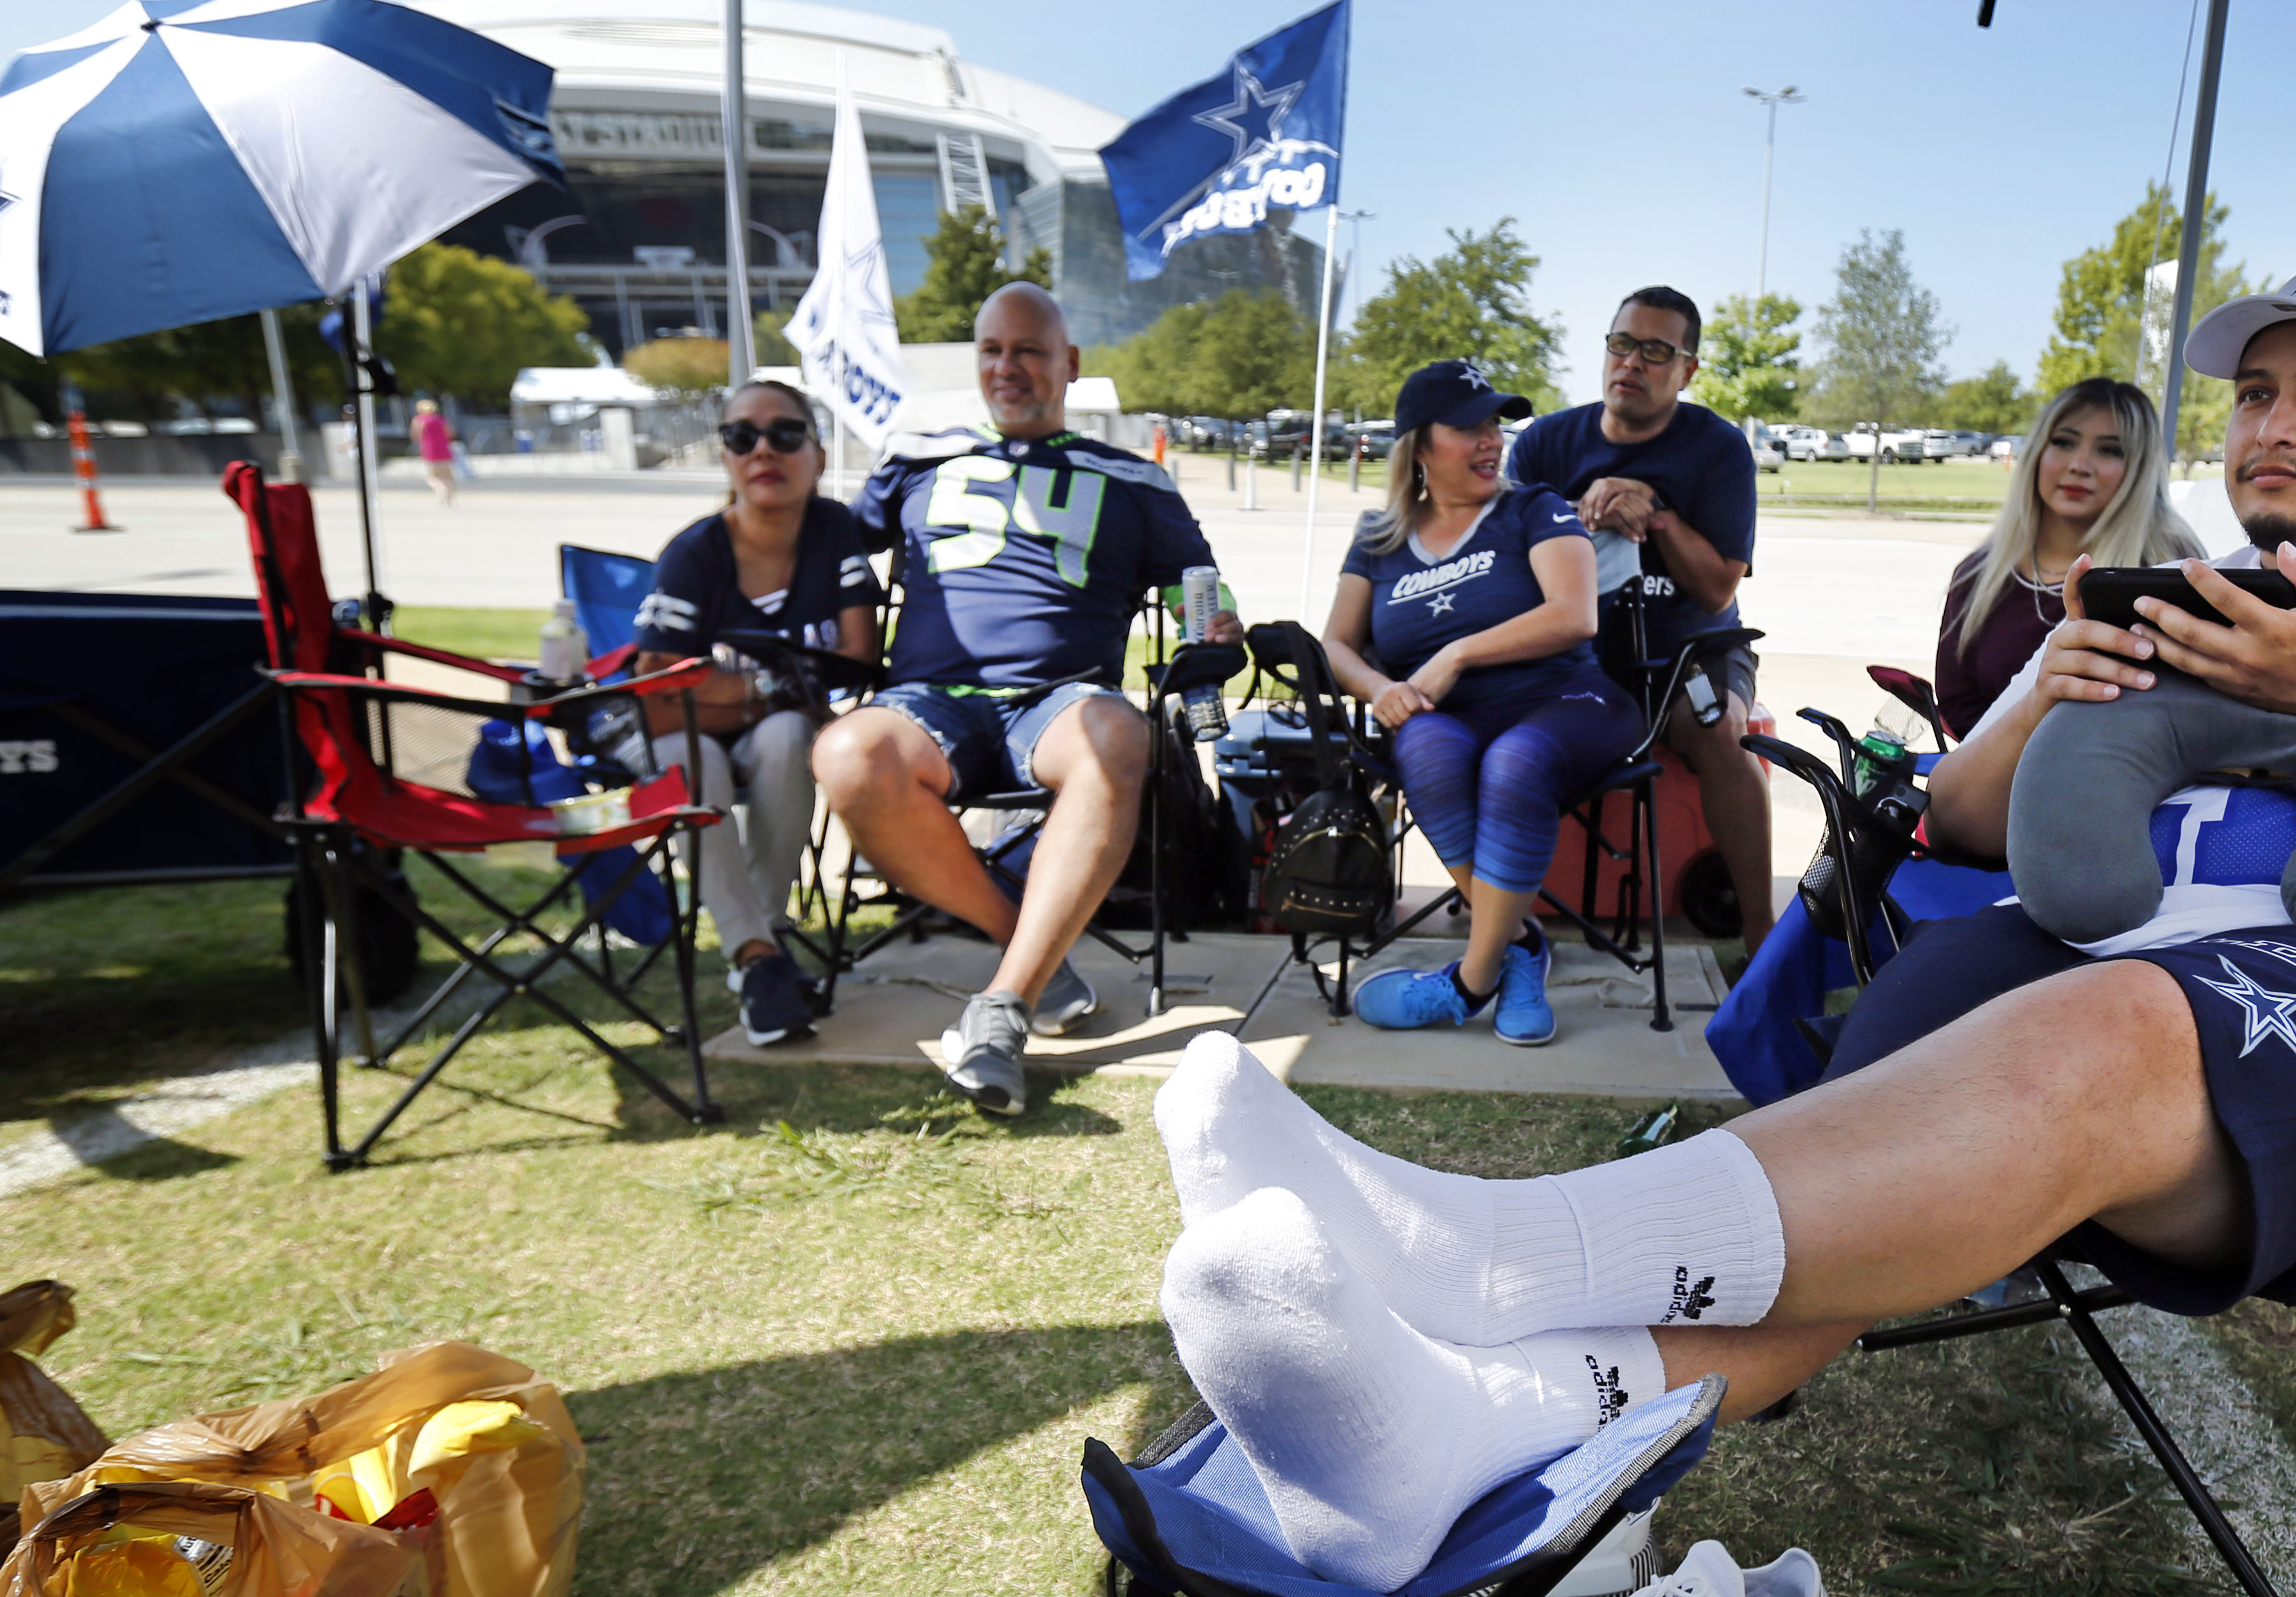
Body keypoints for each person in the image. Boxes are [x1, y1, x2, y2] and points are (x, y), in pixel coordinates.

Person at [1144, 246, 2296, 1597]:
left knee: (2107, 1024)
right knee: (1906, 1078)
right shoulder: (2174, 584)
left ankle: (1481, 1251)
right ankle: (1463, 1426)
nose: (2276, 420)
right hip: (2107, 983)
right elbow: (1968, 822)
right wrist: (2061, 681)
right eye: (2257, 388)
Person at [818, 282, 1239, 1118]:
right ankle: (1031, 943)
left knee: (1116, 734)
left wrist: (1214, 632)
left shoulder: (1133, 477)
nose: (1007, 367)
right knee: (845, 754)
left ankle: (1003, 1005)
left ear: (1069, 364)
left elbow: (1198, 583)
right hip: (929, 703)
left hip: (1057, 705)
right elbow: (825, 549)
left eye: (1029, 350)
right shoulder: (917, 456)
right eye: (991, 350)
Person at [1324, 360, 1649, 1047]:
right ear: (1419, 444)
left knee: (1515, 759)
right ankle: (1520, 947)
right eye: (1468, 427)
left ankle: (1467, 983)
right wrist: (1383, 688)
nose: (1491, 441)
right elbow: (1337, 645)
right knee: (1423, 745)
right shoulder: (1377, 537)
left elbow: (1574, 614)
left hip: (1568, 699)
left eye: (1495, 425)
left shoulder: (1536, 508)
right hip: (1448, 716)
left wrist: (1456, 654)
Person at [1506, 288, 1775, 947]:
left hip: (1692, 648)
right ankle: (1504, 927)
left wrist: (1654, 511)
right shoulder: (1545, 443)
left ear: (1687, 370)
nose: (1632, 362)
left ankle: (1759, 930)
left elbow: (1717, 592)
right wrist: (1582, 509)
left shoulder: (1717, 449)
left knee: (1715, 726)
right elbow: (1503, 566)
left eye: (1656, 351)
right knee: (1486, 723)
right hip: (1573, 648)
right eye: (1621, 343)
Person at [625, 379, 881, 1048]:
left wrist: (733, 685)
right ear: (727, 457)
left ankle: (754, 948)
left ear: (818, 455)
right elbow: (657, 687)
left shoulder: (833, 530)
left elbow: (860, 651)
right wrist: (770, 681)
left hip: (775, 728)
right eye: (743, 436)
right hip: (683, 734)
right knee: (692, 756)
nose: (763, 449)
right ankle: (761, 956)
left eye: (785, 433)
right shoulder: (694, 553)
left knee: (789, 733)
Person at [1930, 377, 2200, 739]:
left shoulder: (2171, 568)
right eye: (2064, 443)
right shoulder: (1978, 574)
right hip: (1996, 789)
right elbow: (1956, 703)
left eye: (2110, 450)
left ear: (2139, 470)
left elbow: (2192, 713)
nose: (2079, 464)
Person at [413, 400, 460, 507]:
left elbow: (416, 435)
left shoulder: (419, 420)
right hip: (445, 451)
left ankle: (441, 489)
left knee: (431, 477)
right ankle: (451, 501)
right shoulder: (441, 420)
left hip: (430, 452)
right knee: (448, 477)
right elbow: (450, 433)